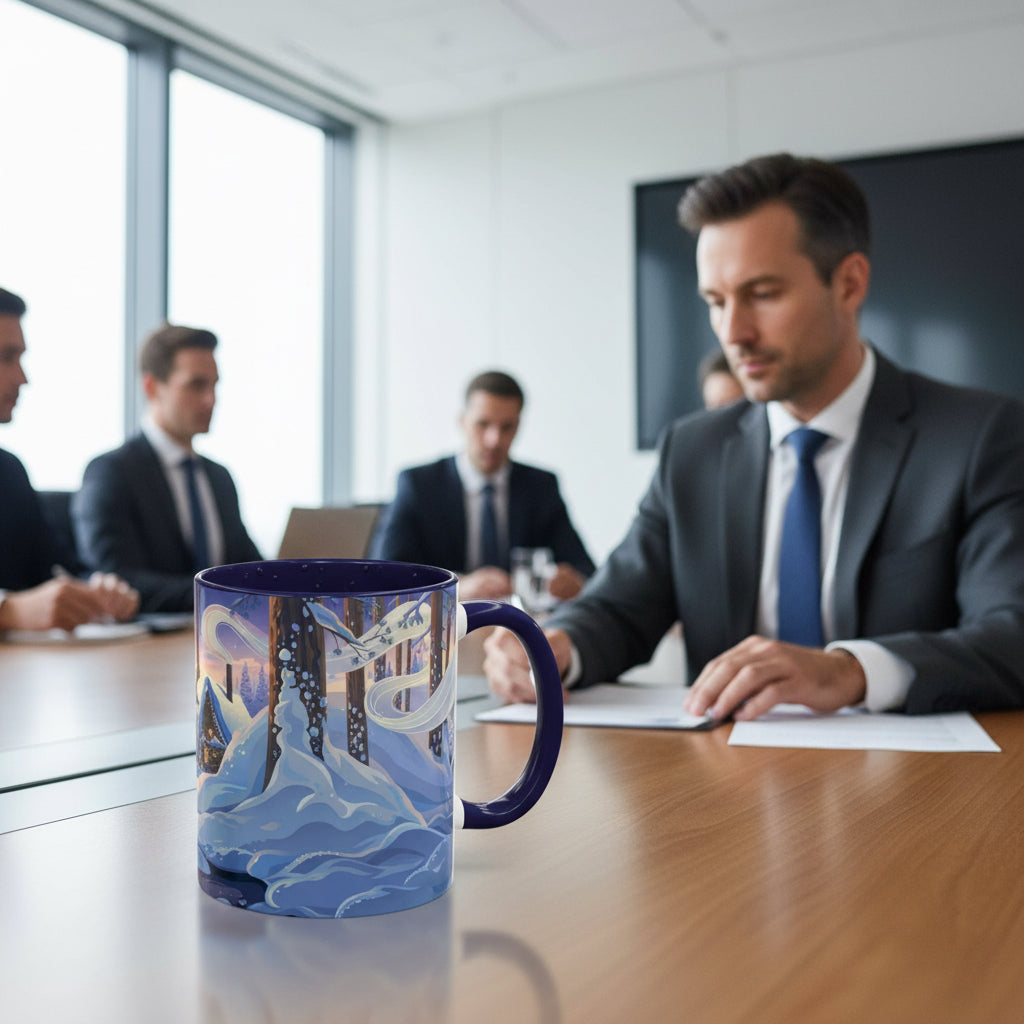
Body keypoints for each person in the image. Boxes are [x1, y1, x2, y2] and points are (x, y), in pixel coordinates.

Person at [484, 152, 1024, 720]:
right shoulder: (691, 451)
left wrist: (849, 670)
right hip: (725, 784)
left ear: (849, 283)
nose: (733, 334)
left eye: (763, 294)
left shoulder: (978, 438)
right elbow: (620, 607)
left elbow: (1011, 635)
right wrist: (556, 648)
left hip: (923, 788)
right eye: (716, 302)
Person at [72, 322, 261, 613]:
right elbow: (117, 580)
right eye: (196, 385)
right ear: (152, 387)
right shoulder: (112, 472)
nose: (211, 399)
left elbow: (246, 564)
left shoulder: (219, 478)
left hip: (225, 640)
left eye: (214, 385)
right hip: (147, 648)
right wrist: (221, 597)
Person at [371, 370, 595, 600]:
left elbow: (585, 569)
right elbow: (384, 571)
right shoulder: (419, 485)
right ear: (462, 422)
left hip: (516, 624)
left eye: (506, 427)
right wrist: (457, 586)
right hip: (445, 623)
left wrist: (574, 582)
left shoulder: (540, 487)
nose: (494, 440)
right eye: (483, 424)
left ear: (518, 426)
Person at [0, 287, 139, 632]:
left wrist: (97, 591)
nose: (23, 378)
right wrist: (8, 611)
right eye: (6, 357)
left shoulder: (9, 472)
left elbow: (57, 572)